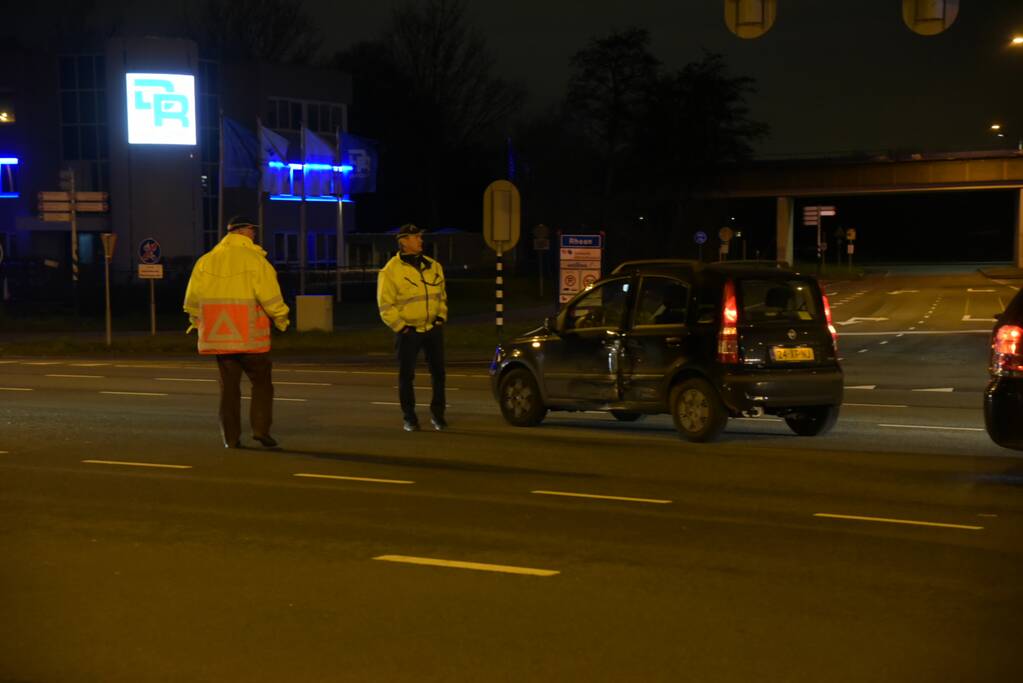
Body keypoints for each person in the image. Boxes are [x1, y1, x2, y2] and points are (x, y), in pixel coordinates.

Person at [183, 216, 290, 448]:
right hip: (250, 336)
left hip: (219, 337)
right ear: (247, 231)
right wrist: (281, 319)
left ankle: (230, 438)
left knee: (228, 389)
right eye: (253, 231)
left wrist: (196, 320)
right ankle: (261, 430)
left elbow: (192, 299)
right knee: (261, 383)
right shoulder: (256, 261)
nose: (255, 235)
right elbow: (270, 296)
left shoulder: (206, 261)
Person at [377, 223, 448, 432]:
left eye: (420, 237)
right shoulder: (390, 271)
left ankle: (438, 415)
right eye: (416, 237)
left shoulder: (433, 266)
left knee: (439, 373)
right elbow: (385, 305)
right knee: (406, 376)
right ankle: (409, 417)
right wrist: (401, 327)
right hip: (408, 332)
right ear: (403, 242)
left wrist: (441, 317)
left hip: (432, 329)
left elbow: (441, 295)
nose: (420, 240)